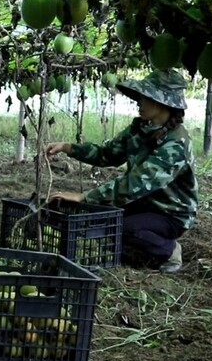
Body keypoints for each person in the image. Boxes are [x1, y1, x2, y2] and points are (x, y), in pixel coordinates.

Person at [45, 70, 198, 273]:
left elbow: (136, 183)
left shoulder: (176, 144)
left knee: (121, 228)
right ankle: (139, 246)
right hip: (143, 204)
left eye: (144, 97)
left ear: (160, 102)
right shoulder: (140, 129)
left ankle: (169, 250)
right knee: (102, 220)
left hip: (171, 213)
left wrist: (85, 197)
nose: (139, 102)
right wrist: (68, 148)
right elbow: (107, 154)